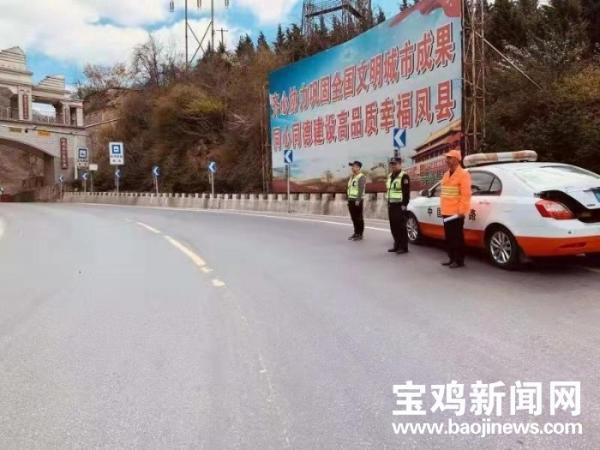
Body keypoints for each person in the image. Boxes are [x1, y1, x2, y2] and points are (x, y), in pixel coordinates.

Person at [440, 149, 472, 268]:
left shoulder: (464, 174)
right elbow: (445, 193)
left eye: (449, 158)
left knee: (457, 237)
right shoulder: (446, 174)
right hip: (446, 211)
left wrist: (462, 211)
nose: (447, 160)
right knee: (449, 237)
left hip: (456, 213)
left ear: (456, 160)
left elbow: (466, 195)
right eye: (446, 158)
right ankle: (451, 258)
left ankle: (459, 260)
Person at [386, 157, 411, 254]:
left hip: (400, 205)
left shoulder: (404, 176)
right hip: (391, 204)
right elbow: (389, 190)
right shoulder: (390, 176)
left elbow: (406, 192)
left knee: (401, 226)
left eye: (395, 164)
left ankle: (403, 247)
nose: (393, 166)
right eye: (392, 164)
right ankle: (396, 245)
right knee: (393, 226)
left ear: (400, 164)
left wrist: (404, 204)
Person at [347, 160, 366, 241]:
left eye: (354, 166)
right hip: (351, 199)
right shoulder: (352, 177)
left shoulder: (361, 177)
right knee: (353, 218)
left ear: (358, 167)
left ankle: (360, 234)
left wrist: (358, 200)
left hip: (357, 200)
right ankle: (356, 233)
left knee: (359, 218)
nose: (352, 168)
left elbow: (361, 189)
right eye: (352, 166)